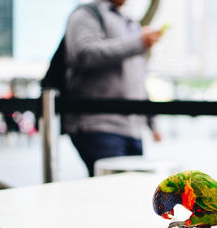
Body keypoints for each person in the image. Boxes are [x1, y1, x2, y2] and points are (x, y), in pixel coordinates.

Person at [64, 0, 162, 177]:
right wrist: (138, 42)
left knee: (132, 191)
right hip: (98, 126)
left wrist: (152, 122)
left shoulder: (130, 23)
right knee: (111, 193)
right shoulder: (87, 14)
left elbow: (138, 79)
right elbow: (83, 54)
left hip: (132, 130)